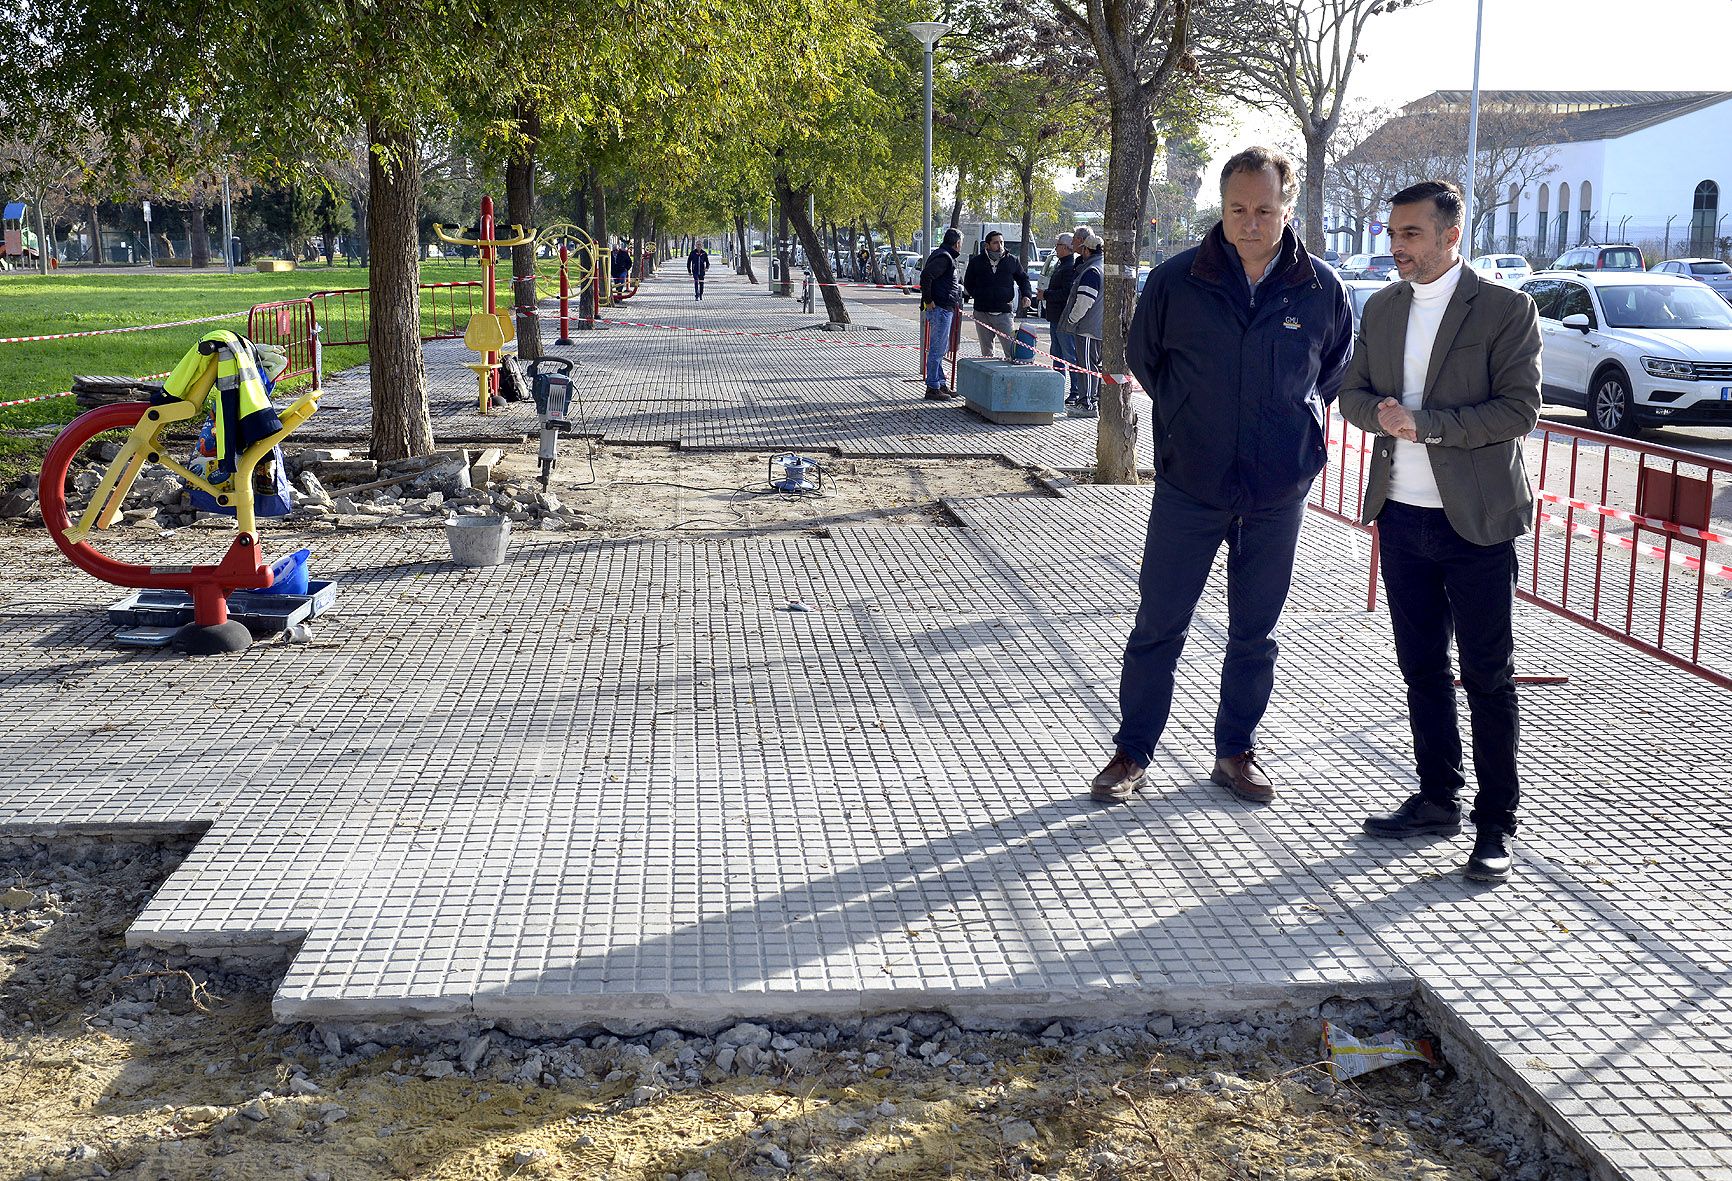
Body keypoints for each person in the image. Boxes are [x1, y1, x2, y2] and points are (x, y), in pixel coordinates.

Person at [1089, 145, 1354, 807]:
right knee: (1158, 624)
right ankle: (1132, 752)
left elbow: (1331, 371)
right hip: (1191, 485)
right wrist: (1192, 421)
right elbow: (1148, 361)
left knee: (1255, 634)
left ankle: (1236, 751)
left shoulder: (1321, 289)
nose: (1250, 223)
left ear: (1287, 209)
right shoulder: (1176, 281)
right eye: (1238, 209)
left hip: (1277, 491)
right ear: (1222, 207)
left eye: (1264, 210)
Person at [1337, 179, 1542, 885]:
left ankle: (1495, 823)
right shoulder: (1383, 306)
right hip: (1401, 516)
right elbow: (1351, 393)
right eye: (1393, 233)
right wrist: (1380, 415)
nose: (1397, 247)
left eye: (1412, 234)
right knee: (1421, 667)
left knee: (1487, 674)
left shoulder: (1506, 308)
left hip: (1476, 523)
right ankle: (1436, 798)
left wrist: (1425, 425)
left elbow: (1518, 410)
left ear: (1452, 236)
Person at [961, 231, 1032, 358]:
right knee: (987, 352)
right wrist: (978, 295)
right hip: (982, 312)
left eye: (1001, 242)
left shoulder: (1012, 260)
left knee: (1011, 351)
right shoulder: (977, 262)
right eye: (995, 243)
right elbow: (968, 283)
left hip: (1004, 313)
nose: (1000, 246)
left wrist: (1026, 295)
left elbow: (1023, 279)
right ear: (987, 245)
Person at [1058, 231, 1104, 416]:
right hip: (1098, 327)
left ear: (1087, 250)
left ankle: (1087, 404)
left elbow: (1084, 301)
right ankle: (1091, 401)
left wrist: (1072, 319)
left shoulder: (1092, 271)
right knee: (1093, 365)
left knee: (1087, 366)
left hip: (1087, 328)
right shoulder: (1103, 267)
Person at [918, 227, 964, 400]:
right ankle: (932, 387)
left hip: (943, 308)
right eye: (961, 243)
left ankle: (940, 383)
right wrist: (928, 300)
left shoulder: (943, 255)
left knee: (940, 349)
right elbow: (926, 276)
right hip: (940, 308)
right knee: (937, 350)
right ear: (957, 243)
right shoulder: (944, 257)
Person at [1039, 232, 1077, 377]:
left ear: (1066, 247)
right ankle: (1060, 383)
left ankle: (1075, 387)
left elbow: (1066, 293)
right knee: (1057, 354)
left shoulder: (1069, 267)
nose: (1056, 248)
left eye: (1058, 245)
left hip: (1063, 318)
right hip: (1056, 317)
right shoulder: (1062, 265)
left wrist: (1046, 294)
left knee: (1068, 354)